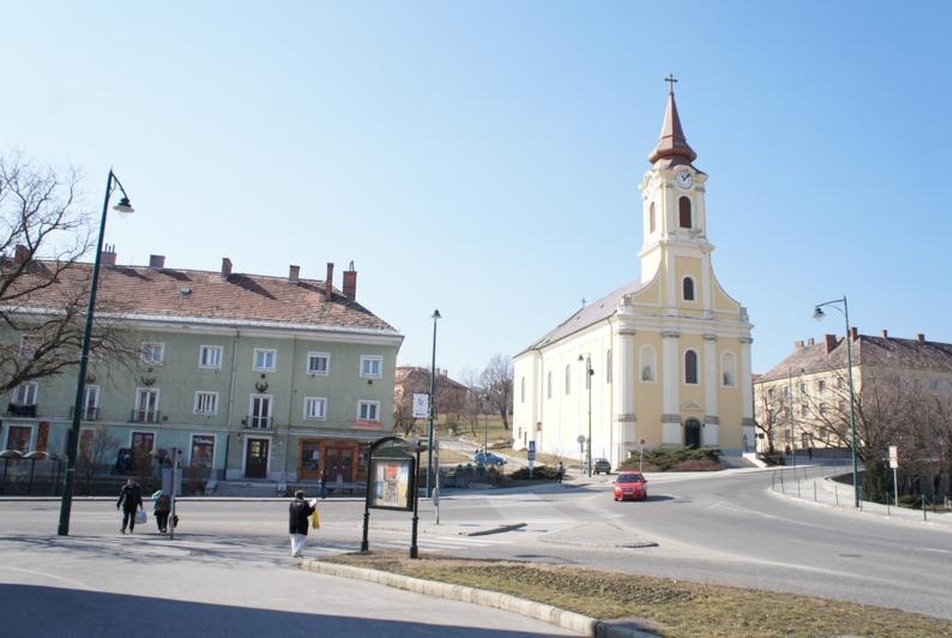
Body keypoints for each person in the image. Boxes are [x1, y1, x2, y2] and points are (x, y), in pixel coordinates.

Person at [288, 490, 316, 558]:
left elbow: (290, 511)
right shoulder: (305, 504)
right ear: (303, 496)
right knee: (302, 538)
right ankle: (297, 551)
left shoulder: (292, 503)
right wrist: (313, 506)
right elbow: (308, 513)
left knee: (294, 539)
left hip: (292, 523)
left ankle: (294, 552)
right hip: (302, 523)